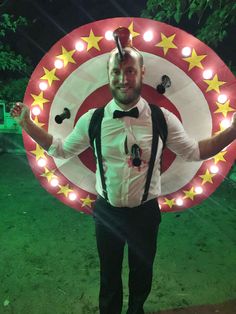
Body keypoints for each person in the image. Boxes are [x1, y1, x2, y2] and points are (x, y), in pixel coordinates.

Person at [11, 46, 236, 314]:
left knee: (142, 277)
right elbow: (60, 148)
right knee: (109, 279)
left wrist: (233, 131)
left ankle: (136, 310)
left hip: (146, 213)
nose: (123, 78)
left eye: (129, 70)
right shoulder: (92, 120)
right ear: (108, 76)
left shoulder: (162, 119)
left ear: (141, 73)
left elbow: (196, 151)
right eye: (116, 71)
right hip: (107, 213)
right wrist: (28, 124)